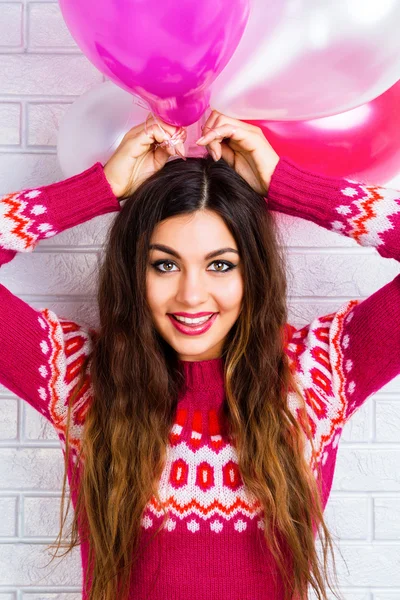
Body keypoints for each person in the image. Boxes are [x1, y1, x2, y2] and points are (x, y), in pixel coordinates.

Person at [0, 109, 399, 600]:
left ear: (252, 271)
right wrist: (97, 191)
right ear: (134, 272)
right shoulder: (80, 377)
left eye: (220, 265)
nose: (192, 295)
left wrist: (287, 184)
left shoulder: (318, 372)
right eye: (165, 264)